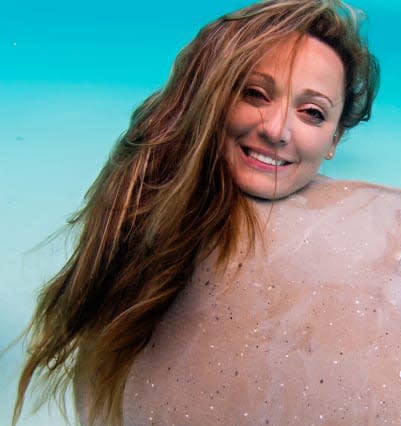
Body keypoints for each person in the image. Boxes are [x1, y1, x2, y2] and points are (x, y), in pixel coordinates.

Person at [12, 1, 379, 425]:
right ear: (215, 95)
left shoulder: (351, 253)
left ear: (335, 139)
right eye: (256, 93)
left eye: (312, 113)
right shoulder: (143, 196)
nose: (277, 131)